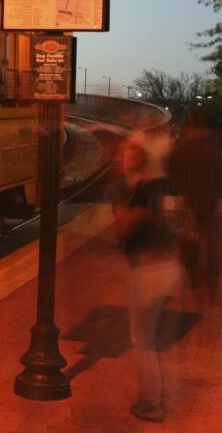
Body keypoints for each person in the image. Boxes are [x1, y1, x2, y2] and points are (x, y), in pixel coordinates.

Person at [107, 138, 182, 423]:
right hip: (164, 268)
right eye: (124, 151)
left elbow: (125, 230)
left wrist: (123, 205)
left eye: (132, 153)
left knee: (143, 342)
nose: (126, 157)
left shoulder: (141, 191)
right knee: (154, 339)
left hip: (149, 272)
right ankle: (165, 397)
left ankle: (152, 405)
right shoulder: (153, 186)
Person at [169, 108, 222, 307]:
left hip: (189, 205)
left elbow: (171, 168)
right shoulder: (217, 148)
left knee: (189, 242)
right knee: (213, 247)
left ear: (192, 126)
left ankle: (193, 281)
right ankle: (211, 285)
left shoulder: (182, 149)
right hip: (211, 205)